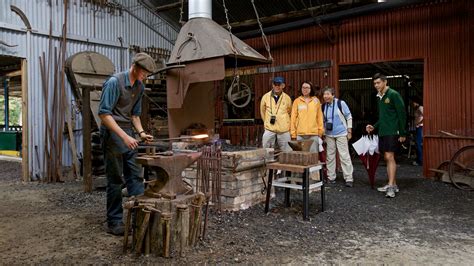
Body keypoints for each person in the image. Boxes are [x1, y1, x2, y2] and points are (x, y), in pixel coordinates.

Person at [98, 52, 156, 235]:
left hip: (128, 132)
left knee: (136, 176)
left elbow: (135, 115)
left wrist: (141, 133)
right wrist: (124, 136)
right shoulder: (114, 82)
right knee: (115, 179)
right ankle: (114, 221)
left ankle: (139, 218)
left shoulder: (139, 86)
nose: (145, 76)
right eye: (144, 72)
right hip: (112, 131)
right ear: (135, 67)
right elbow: (104, 115)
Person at [366, 73, 407, 198]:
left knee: (389, 156)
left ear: (385, 82)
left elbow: (402, 114)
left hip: (393, 132)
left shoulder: (393, 94)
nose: (376, 85)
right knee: (387, 158)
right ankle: (393, 184)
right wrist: (374, 126)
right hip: (383, 131)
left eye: (378, 83)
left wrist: (403, 132)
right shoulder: (380, 97)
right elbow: (384, 117)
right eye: (374, 83)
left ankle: (390, 186)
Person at [321, 87, 354, 187]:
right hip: (329, 134)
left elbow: (349, 116)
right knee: (330, 156)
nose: (326, 96)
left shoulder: (340, 103)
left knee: (344, 156)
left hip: (341, 133)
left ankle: (349, 178)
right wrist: (323, 133)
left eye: (328, 94)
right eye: (324, 94)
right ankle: (331, 177)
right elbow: (322, 120)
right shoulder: (323, 106)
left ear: (333, 95)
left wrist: (349, 130)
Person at [290, 81, 324, 153]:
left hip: (313, 134)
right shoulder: (297, 101)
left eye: (307, 88)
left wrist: (320, 131)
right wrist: (293, 133)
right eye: (303, 87)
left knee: (313, 156)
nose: (305, 89)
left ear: (311, 89)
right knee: (301, 156)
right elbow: (293, 118)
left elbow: (319, 117)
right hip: (300, 134)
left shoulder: (316, 101)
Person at [260, 76, 292, 151]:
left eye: (279, 84)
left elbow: (289, 112)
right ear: (272, 85)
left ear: (283, 86)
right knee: (267, 151)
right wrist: (266, 122)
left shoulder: (287, 98)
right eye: (275, 84)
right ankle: (267, 162)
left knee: (287, 150)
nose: (277, 86)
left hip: (284, 129)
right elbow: (262, 111)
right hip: (269, 128)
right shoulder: (265, 97)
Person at [411, 96, 423, 166]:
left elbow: (426, 115)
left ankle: (420, 161)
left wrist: (419, 122)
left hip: (420, 127)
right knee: (417, 144)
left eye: (414, 102)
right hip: (418, 127)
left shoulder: (421, 108)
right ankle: (419, 159)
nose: (413, 104)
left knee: (418, 144)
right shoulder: (417, 109)